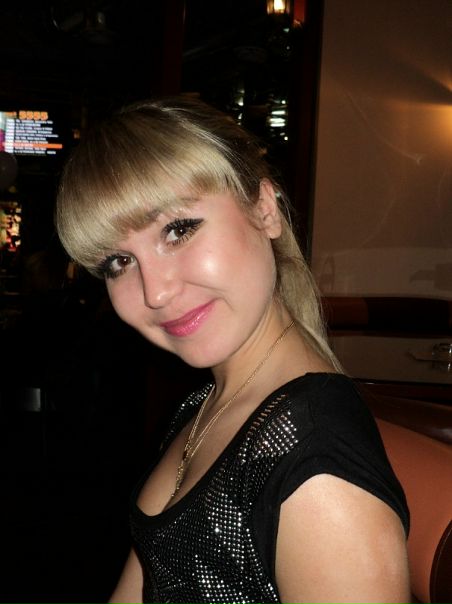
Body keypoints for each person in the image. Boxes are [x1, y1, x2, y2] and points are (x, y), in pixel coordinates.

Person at [56, 96, 411, 604]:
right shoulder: (209, 404)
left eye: (178, 230)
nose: (156, 292)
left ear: (264, 210)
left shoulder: (317, 465)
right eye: (118, 262)